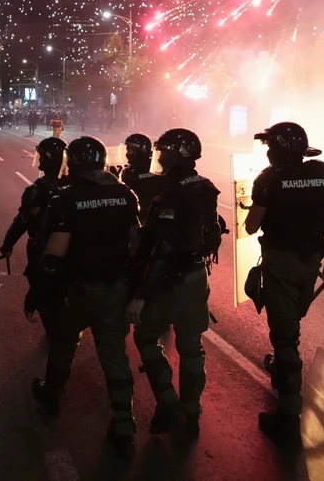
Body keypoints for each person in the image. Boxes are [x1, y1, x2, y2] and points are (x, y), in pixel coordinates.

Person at [30, 136, 140, 459]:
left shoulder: (66, 199)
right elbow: (135, 247)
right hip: (114, 290)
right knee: (115, 357)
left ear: (73, 163)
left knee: (64, 343)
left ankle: (51, 395)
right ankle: (124, 425)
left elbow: (54, 256)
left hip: (78, 290)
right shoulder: (124, 194)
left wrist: (37, 294)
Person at [243, 122, 324, 435]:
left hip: (281, 264)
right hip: (311, 263)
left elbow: (250, 227)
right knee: (292, 323)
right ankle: (282, 370)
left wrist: (252, 207)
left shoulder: (269, 179)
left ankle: (289, 414)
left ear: (276, 149)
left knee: (285, 335)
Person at [126, 128, 221, 438]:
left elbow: (162, 250)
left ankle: (168, 402)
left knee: (145, 337)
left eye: (164, 150)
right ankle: (191, 412)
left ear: (178, 153)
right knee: (192, 347)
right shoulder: (205, 186)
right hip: (198, 276)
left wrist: (141, 294)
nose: (160, 155)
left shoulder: (170, 194)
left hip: (169, 280)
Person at [0, 137, 67, 333]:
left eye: (41, 156)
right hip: (73, 246)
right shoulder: (76, 185)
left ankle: (51, 325)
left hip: (42, 246)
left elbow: (23, 221)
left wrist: (7, 244)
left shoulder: (38, 190)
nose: (38, 161)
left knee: (40, 284)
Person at [117, 133, 169, 221]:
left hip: (141, 216)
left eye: (130, 151)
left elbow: (123, 197)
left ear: (142, 150)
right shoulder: (159, 166)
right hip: (163, 214)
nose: (127, 154)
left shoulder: (130, 172)